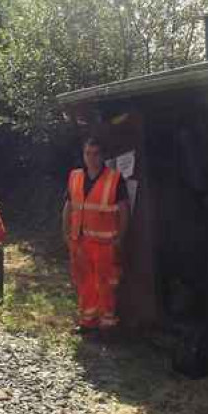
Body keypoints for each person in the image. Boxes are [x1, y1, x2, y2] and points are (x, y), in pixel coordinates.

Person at [61, 137, 130, 336]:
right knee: (84, 283)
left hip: (104, 243)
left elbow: (125, 211)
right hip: (79, 241)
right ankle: (87, 322)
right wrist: (66, 233)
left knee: (106, 284)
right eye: (87, 153)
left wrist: (121, 238)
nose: (91, 158)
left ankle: (107, 325)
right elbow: (68, 207)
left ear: (103, 156)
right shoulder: (75, 177)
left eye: (95, 154)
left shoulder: (114, 179)